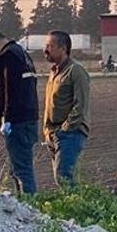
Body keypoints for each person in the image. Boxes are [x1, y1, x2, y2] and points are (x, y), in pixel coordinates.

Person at [0, 25, 40, 194]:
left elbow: (10, 90)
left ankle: (29, 204)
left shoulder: (7, 57)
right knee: (18, 168)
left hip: (17, 121)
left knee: (22, 169)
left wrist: (6, 119)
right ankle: (24, 200)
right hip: (28, 117)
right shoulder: (21, 53)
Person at [43, 30, 91, 186]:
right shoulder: (54, 72)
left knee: (64, 178)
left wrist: (64, 130)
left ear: (63, 48)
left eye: (50, 46)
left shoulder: (76, 71)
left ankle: (77, 208)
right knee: (62, 179)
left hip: (70, 134)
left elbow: (80, 105)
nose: (46, 50)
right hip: (53, 134)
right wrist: (47, 131)